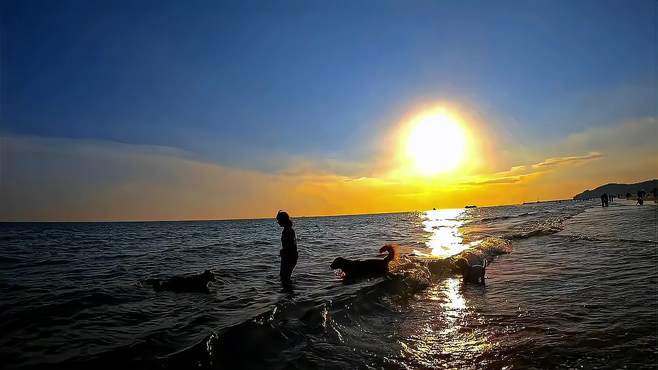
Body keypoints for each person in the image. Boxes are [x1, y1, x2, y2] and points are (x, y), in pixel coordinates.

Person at [276, 210, 298, 285]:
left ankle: (288, 294)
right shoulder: (289, 230)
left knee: (284, 277)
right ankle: (289, 294)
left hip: (289, 257)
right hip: (291, 256)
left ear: (283, 220)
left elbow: (290, 246)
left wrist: (283, 252)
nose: (277, 222)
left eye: (278, 220)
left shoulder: (287, 231)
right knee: (285, 277)